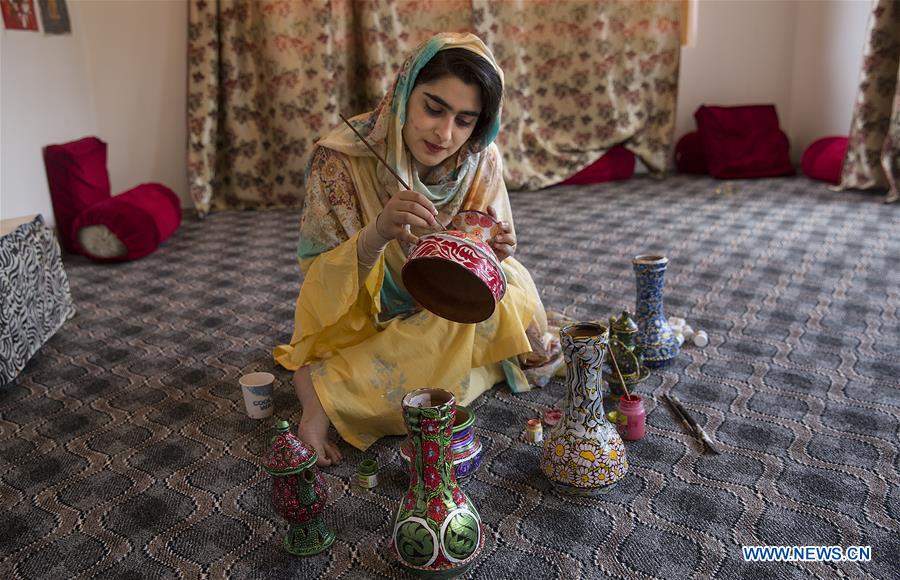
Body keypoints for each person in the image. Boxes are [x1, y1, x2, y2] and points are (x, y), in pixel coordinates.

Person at [274, 32, 557, 466]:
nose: (445, 134)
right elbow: (318, 281)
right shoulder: (340, 159)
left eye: (465, 120)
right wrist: (379, 232)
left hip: (447, 304)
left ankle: (367, 378)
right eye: (433, 108)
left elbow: (482, 252)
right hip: (363, 310)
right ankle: (320, 393)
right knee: (470, 359)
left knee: (509, 291)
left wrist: (493, 255)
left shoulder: (481, 157)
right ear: (405, 93)